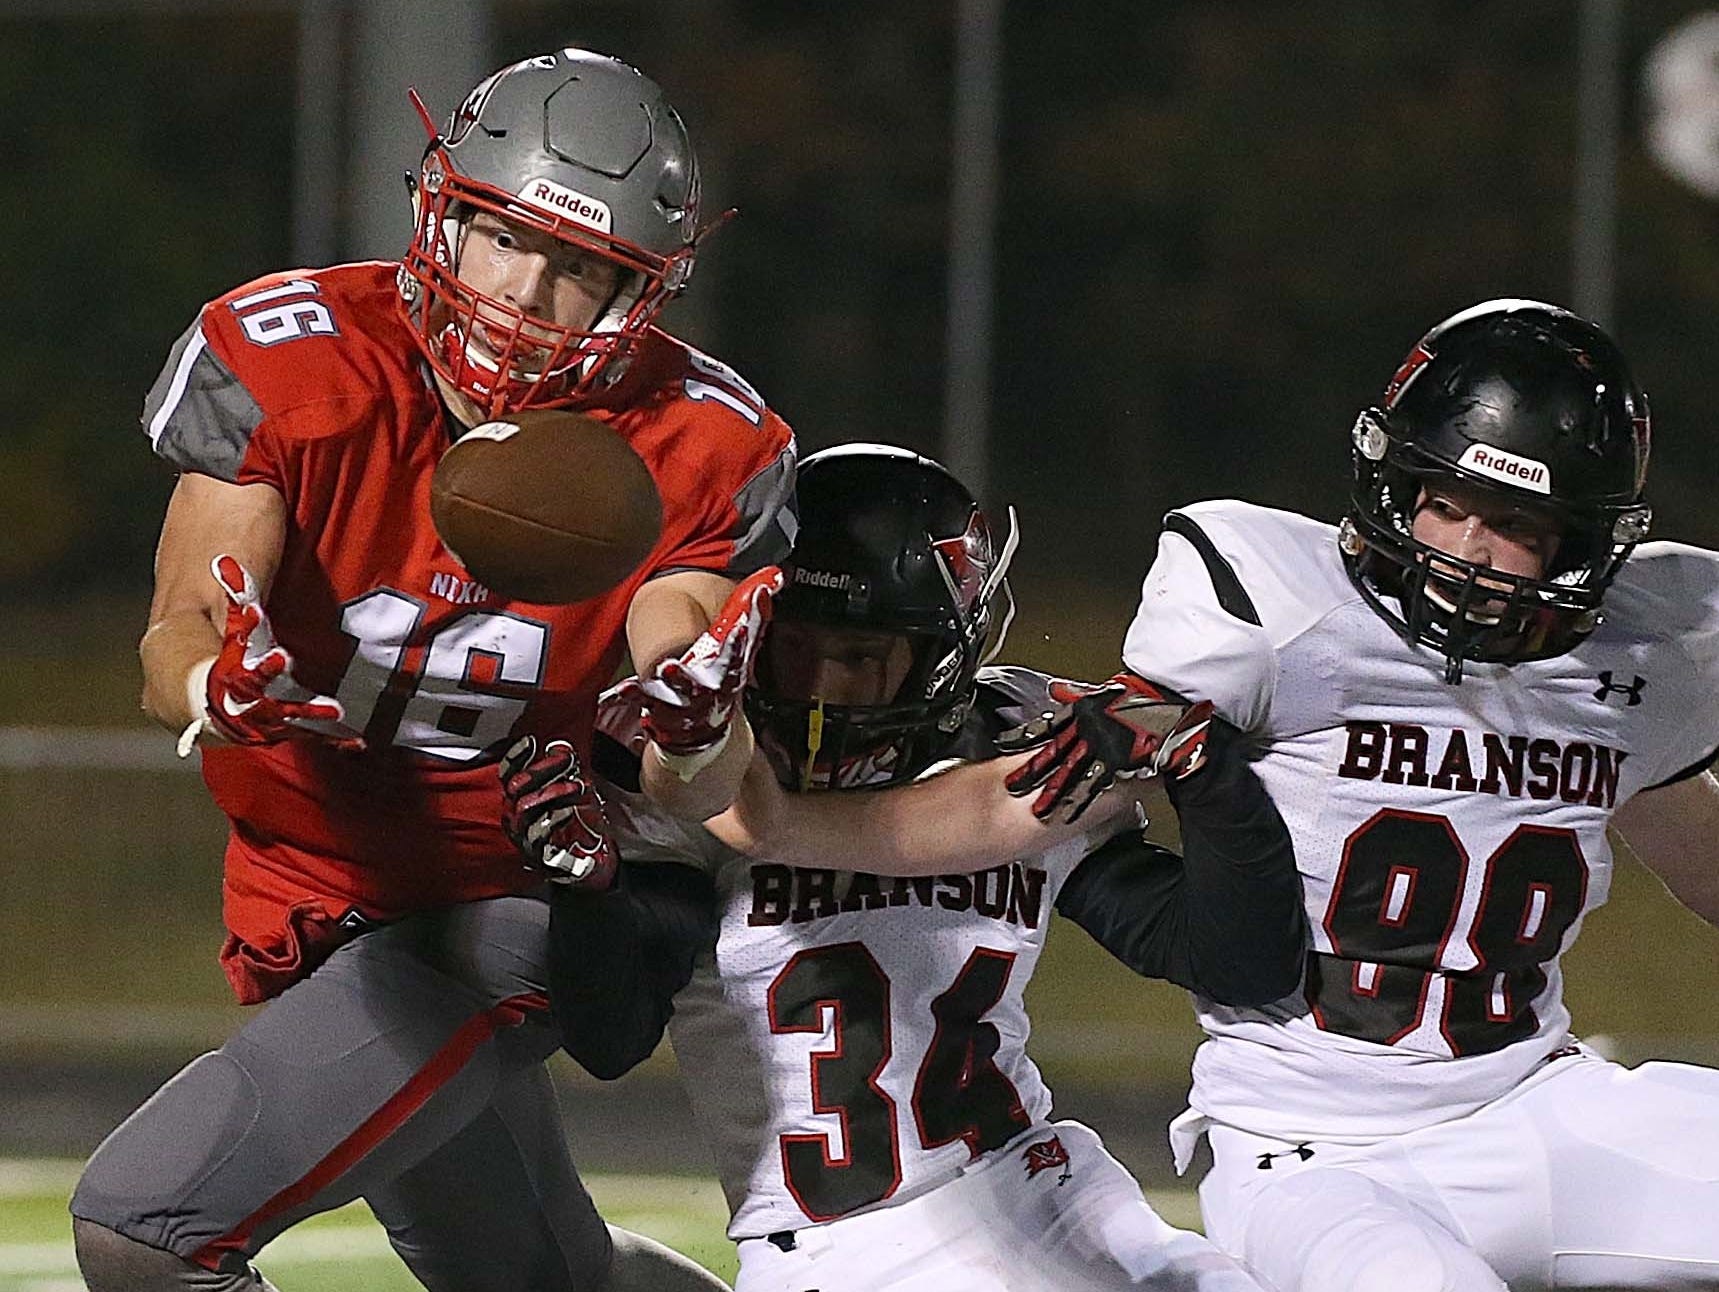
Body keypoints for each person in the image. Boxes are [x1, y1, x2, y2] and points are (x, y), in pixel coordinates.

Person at [70, 48, 794, 1292]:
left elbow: (690, 709)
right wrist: (216, 686)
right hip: (323, 886)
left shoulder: (702, 443)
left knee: (146, 1227)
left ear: (644, 293)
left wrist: (695, 711)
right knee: (529, 1276)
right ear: (440, 214)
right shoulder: (296, 354)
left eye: (584, 269)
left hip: (516, 897)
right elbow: (180, 628)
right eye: (502, 238)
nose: (528, 292)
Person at [1006, 300, 1719, 1291]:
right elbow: (1083, 776)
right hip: (1316, 1152)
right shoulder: (1286, 613)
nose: (1468, 544)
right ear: (1393, 480)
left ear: (1580, 545)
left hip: (1532, 1099)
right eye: (1444, 499)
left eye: (1513, 523)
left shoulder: (1632, 668)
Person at [504, 444, 1306, 1291]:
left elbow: (1234, 963)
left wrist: (1202, 775)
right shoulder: (702, 773)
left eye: (858, 657)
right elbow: (611, 1040)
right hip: (833, 1246)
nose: (817, 688)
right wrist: (588, 893)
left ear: (942, 652)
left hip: (1041, 1190)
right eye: (793, 649)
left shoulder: (1012, 740)